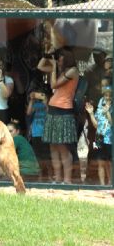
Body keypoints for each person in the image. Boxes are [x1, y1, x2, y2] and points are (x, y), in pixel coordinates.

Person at [38, 48, 79, 184]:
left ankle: (67, 180)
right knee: (53, 147)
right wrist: (47, 55)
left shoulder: (72, 71)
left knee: (62, 147)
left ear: (66, 59)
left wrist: (54, 67)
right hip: (53, 110)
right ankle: (58, 178)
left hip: (64, 111)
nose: (58, 61)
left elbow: (54, 84)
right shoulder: (60, 70)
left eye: (60, 59)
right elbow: (40, 66)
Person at [85, 86, 112, 185]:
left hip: (110, 139)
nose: (108, 97)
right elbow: (96, 125)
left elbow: (112, 123)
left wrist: (108, 111)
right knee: (101, 162)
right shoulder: (99, 109)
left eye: (110, 95)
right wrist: (91, 113)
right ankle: (102, 184)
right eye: (106, 95)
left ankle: (110, 183)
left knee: (109, 162)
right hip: (99, 139)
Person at [26, 88, 52, 181]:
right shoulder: (36, 104)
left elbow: (50, 112)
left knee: (47, 155)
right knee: (38, 155)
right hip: (35, 133)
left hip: (46, 133)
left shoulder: (49, 104)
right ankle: (40, 175)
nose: (39, 96)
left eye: (42, 94)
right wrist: (32, 100)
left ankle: (49, 175)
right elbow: (28, 112)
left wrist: (45, 101)